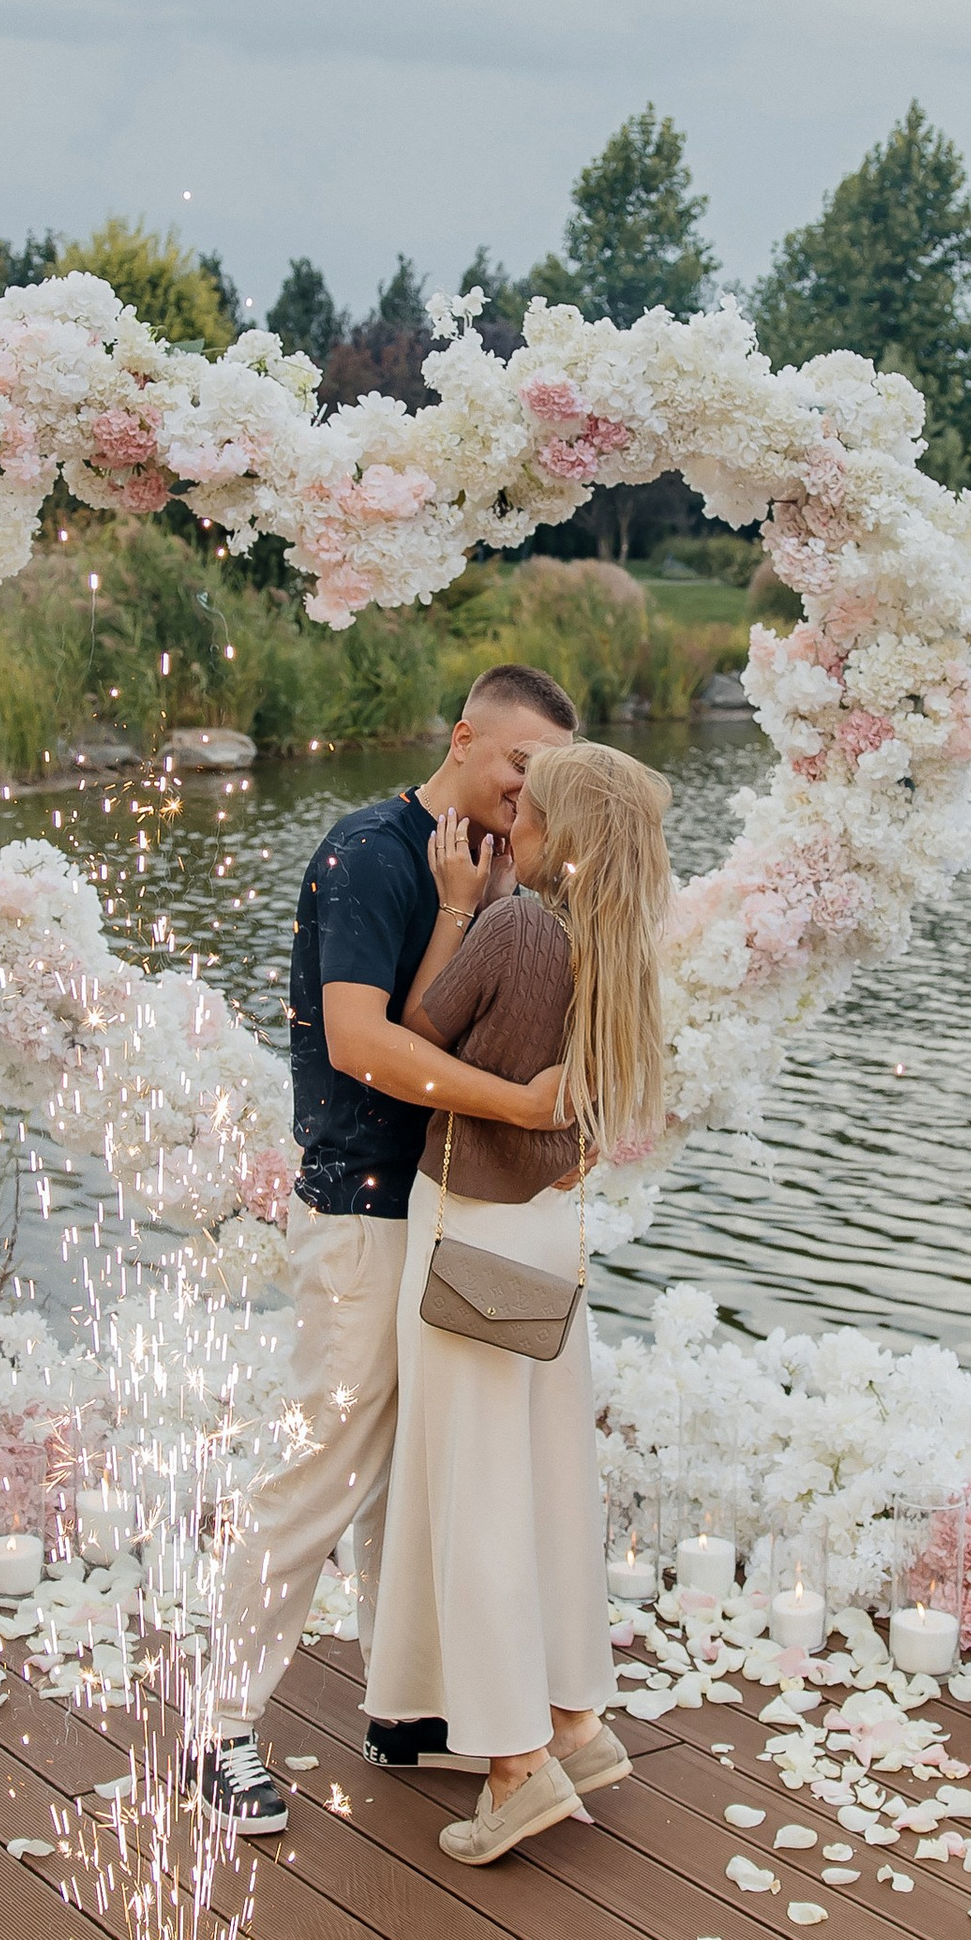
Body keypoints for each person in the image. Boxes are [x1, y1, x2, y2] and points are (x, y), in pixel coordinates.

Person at [201, 664, 581, 1831]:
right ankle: (212, 1723)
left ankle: (406, 1707)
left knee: (419, 1476)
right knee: (325, 1465)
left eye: (547, 776)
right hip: (364, 1207)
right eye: (519, 764)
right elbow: (364, 1042)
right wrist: (522, 1111)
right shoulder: (367, 852)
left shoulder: (508, 871)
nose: (529, 789)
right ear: (465, 738)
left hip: (450, 1212)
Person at [364, 738, 673, 1864]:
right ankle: (575, 1720)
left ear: (564, 832)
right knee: (542, 1484)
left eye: (530, 811)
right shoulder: (614, 944)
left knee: (477, 1492)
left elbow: (406, 1041)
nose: (511, 824)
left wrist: (454, 906)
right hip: (546, 1233)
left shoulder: (514, 925)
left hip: (471, 1228)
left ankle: (510, 1763)